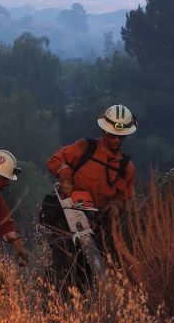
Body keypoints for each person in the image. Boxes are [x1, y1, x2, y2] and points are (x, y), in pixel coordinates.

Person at [42, 104, 137, 288]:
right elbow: (54, 161)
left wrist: (117, 205)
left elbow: (126, 197)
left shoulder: (127, 168)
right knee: (62, 268)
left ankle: (86, 310)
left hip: (98, 227)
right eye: (112, 135)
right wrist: (66, 175)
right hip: (68, 219)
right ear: (103, 130)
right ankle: (49, 302)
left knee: (92, 277)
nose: (116, 140)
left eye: (121, 136)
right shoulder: (84, 148)